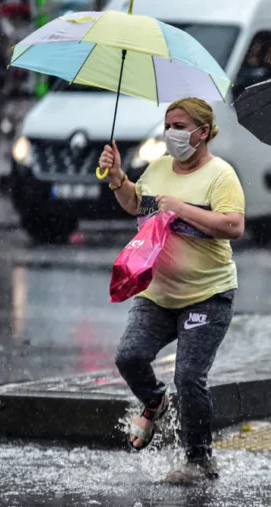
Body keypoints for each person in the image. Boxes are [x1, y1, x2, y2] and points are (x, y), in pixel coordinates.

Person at [98, 97, 246, 485]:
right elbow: (136, 204)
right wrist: (117, 178)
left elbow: (233, 226)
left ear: (202, 131)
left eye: (180, 126)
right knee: (129, 356)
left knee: (190, 377)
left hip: (207, 295)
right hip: (158, 293)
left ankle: (199, 459)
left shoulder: (220, 175)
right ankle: (155, 402)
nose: (172, 133)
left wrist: (183, 208)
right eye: (168, 125)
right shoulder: (159, 166)